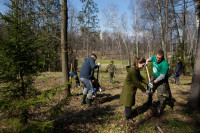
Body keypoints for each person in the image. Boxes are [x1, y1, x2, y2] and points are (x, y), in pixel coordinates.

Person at [119, 57, 151, 122]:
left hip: (131, 88)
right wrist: (145, 90)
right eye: (142, 65)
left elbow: (139, 78)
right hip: (128, 89)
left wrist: (147, 82)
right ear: (138, 63)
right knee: (128, 104)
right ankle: (128, 118)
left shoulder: (136, 69)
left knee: (129, 103)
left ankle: (129, 114)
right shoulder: (132, 71)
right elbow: (136, 82)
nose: (142, 67)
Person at [146, 50, 174, 116]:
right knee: (149, 89)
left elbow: (162, 76)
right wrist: (147, 61)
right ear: (156, 55)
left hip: (161, 80)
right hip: (154, 76)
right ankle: (149, 101)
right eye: (157, 57)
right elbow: (150, 58)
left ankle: (160, 108)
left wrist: (153, 82)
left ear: (163, 57)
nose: (158, 59)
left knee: (160, 95)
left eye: (160, 58)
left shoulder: (165, 64)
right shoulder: (154, 57)